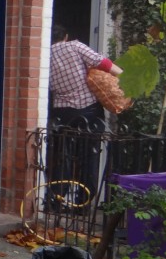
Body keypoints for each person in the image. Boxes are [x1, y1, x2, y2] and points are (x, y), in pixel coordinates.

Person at [48, 23, 124, 209]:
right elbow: (103, 63)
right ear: (65, 36)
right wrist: (126, 78)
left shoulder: (44, 53)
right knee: (89, 155)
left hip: (61, 112)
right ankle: (84, 202)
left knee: (63, 156)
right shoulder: (74, 46)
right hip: (87, 110)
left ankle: (58, 200)